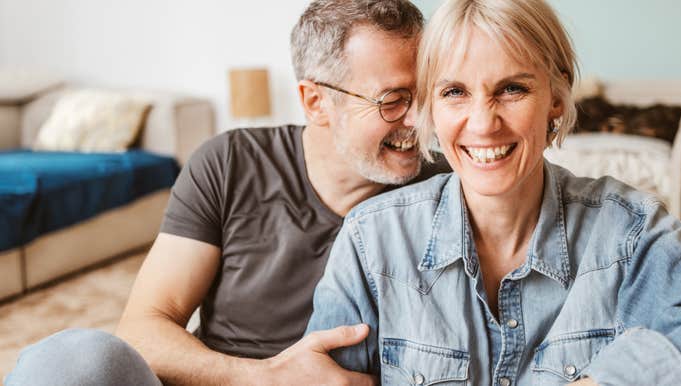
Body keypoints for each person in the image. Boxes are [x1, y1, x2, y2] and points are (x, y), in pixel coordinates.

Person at [305, 0, 681, 385]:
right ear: (429, 107)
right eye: (454, 92)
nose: (484, 124)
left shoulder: (626, 231)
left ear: (555, 96)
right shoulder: (372, 241)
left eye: (511, 89)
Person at [5, 1, 449, 385]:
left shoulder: (448, 185)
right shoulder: (231, 162)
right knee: (71, 359)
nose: (418, 119)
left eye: (426, 94)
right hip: (222, 379)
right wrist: (265, 378)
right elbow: (143, 329)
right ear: (315, 102)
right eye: (393, 99)